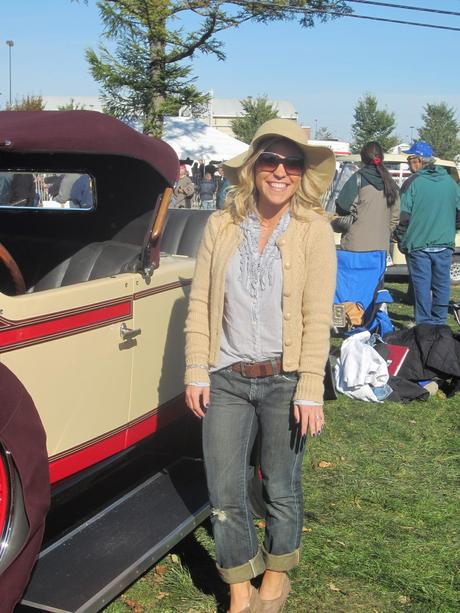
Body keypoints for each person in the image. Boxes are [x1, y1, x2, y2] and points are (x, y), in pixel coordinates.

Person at [184, 118, 336, 613]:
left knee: (281, 485)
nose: (281, 170)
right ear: (252, 167)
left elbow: (317, 315)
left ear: (302, 173)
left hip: (285, 380)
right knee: (224, 491)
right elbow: (201, 303)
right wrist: (194, 369)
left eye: (292, 163)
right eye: (270, 159)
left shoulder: (315, 230)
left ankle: (275, 578)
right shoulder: (220, 225)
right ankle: (239, 588)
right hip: (226, 377)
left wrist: (310, 385)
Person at [394, 141, 460, 325]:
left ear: (418, 161)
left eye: (410, 158)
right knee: (441, 286)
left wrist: (400, 238)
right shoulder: (450, 183)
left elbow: (403, 216)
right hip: (444, 244)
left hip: (419, 245)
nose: (408, 162)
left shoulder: (413, 183)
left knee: (422, 288)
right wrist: (449, 229)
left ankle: (424, 326)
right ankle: (439, 324)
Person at [334, 141, 399, 252]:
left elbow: (342, 206)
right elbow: (395, 217)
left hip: (355, 245)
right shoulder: (391, 184)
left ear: (363, 158)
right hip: (381, 248)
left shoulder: (357, 179)